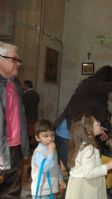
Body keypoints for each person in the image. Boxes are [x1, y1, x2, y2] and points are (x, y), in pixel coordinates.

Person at [54, 62, 112, 171]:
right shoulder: (92, 84)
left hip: (76, 130)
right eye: (111, 82)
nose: (111, 88)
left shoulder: (96, 89)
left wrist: (98, 127)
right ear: (107, 80)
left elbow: (92, 110)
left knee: (81, 169)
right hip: (66, 132)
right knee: (74, 170)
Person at [0, 41, 30, 198]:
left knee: (11, 192)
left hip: (15, 148)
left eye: (19, 60)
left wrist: (24, 146)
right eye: (14, 59)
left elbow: (21, 118)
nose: (18, 64)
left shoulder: (16, 84)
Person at [65, 114, 112, 199]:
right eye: (97, 123)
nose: (99, 122)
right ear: (89, 130)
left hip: (80, 185)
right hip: (86, 188)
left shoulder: (82, 144)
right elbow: (89, 173)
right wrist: (108, 166)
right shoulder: (89, 149)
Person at [31, 120, 66, 198]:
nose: (50, 138)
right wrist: (50, 153)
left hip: (51, 189)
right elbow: (45, 168)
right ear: (37, 138)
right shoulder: (38, 152)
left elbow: (56, 166)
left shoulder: (52, 149)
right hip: (41, 191)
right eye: (45, 136)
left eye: (52, 135)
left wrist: (60, 179)